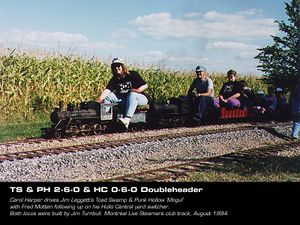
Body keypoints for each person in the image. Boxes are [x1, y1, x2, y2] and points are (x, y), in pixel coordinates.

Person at [96, 58, 148, 129]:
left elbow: (145, 85)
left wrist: (138, 90)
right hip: (125, 99)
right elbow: (108, 90)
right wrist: (100, 99)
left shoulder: (132, 74)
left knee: (132, 94)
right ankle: (107, 120)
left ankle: (127, 119)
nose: (116, 68)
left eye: (118, 66)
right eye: (114, 67)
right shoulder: (115, 79)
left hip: (139, 98)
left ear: (123, 66)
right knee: (108, 97)